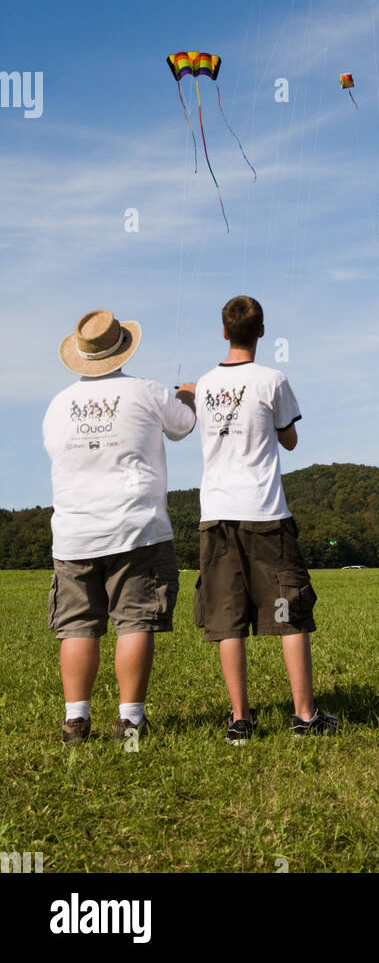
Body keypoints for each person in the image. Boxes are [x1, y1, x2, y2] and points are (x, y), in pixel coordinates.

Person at [42, 309, 196, 745]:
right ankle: (129, 723)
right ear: (123, 349)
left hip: (73, 531)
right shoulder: (146, 391)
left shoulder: (57, 405)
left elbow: (56, 452)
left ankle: (76, 722)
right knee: (134, 622)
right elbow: (183, 427)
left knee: (78, 627)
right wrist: (185, 396)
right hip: (136, 528)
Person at [194, 295, 336, 742]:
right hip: (266, 514)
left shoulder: (203, 385)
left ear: (223, 331)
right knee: (287, 612)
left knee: (228, 617)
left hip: (216, 513)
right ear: (260, 332)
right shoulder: (273, 379)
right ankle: (305, 716)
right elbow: (289, 440)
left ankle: (240, 719)